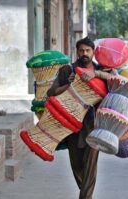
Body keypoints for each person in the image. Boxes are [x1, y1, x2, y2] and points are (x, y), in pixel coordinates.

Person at [47, 37, 110, 199]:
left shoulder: (101, 69)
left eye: (88, 50)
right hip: (72, 126)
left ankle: (85, 197)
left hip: (95, 125)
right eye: (81, 50)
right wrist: (69, 85)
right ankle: (86, 193)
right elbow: (51, 92)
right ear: (77, 52)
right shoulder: (67, 71)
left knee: (90, 165)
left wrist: (95, 74)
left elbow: (116, 80)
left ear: (93, 52)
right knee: (76, 165)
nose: (84, 54)